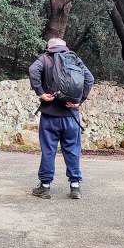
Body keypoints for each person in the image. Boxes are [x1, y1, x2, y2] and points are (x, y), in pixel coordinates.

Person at [28, 38, 94, 200]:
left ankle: (45, 187)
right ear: (64, 46)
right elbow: (90, 78)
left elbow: (32, 70)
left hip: (50, 114)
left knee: (48, 151)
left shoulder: (45, 58)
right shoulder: (74, 58)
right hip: (71, 115)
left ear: (49, 47)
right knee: (72, 150)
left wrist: (41, 92)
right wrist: (79, 101)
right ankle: (75, 187)